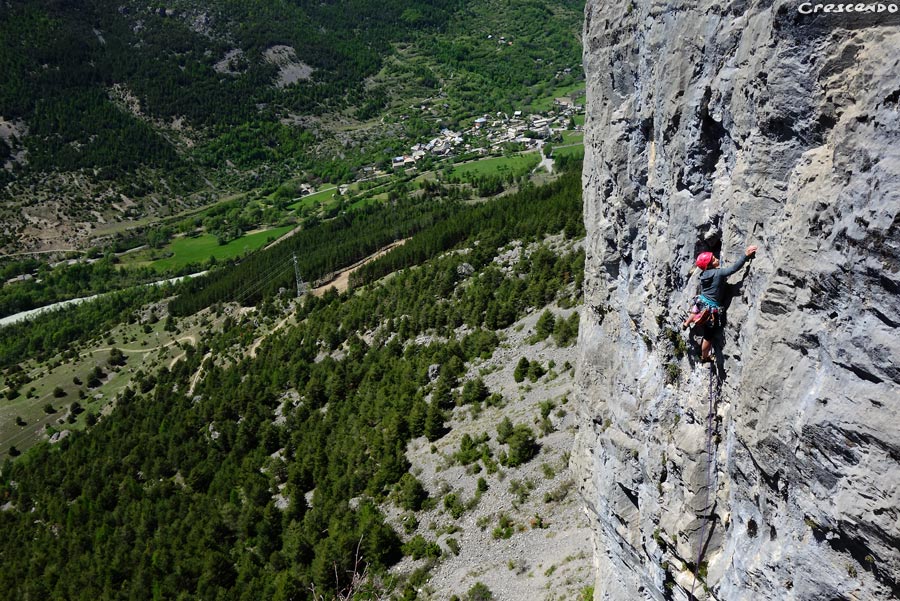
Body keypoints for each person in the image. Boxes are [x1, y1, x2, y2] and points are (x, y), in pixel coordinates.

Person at [683, 245, 758, 362]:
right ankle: (705, 356)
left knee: (696, 309)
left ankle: (687, 322)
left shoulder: (703, 275)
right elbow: (733, 269)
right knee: (708, 336)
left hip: (702, 300)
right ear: (708, 265)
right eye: (713, 259)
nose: (716, 259)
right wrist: (745, 256)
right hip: (711, 308)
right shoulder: (718, 273)